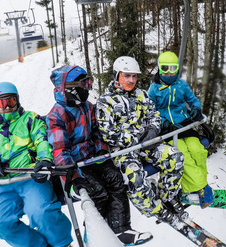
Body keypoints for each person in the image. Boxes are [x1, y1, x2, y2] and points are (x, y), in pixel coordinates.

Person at [45, 65, 152, 246]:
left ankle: (121, 230)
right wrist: (74, 176)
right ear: (70, 88)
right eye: (84, 84)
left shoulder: (87, 107)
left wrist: (101, 149)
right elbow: (59, 150)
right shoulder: (57, 115)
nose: (88, 88)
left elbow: (96, 132)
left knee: (117, 180)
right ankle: (94, 236)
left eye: (89, 83)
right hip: (75, 166)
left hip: (93, 158)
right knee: (98, 192)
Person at [0, 82, 73, 247]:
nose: (6, 107)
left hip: (30, 177)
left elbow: (41, 140)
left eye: (10, 101)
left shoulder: (30, 119)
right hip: (5, 182)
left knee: (41, 212)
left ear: (17, 100)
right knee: (0, 223)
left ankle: (62, 243)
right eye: (1, 103)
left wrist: (44, 160)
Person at [95, 56, 185, 224]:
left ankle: (167, 196)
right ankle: (155, 209)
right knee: (134, 177)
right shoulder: (105, 101)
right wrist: (136, 138)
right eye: (127, 76)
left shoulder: (141, 95)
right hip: (123, 151)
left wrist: (152, 130)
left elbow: (155, 116)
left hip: (147, 145)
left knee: (175, 157)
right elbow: (108, 133)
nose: (131, 80)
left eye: (134, 76)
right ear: (117, 75)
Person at [148, 51, 213, 208]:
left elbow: (193, 100)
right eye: (165, 69)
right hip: (168, 130)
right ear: (159, 69)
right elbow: (150, 111)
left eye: (173, 68)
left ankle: (198, 185)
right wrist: (163, 123)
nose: (169, 72)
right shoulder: (154, 89)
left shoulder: (181, 85)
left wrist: (196, 109)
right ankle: (201, 188)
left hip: (184, 124)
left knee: (198, 150)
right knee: (183, 154)